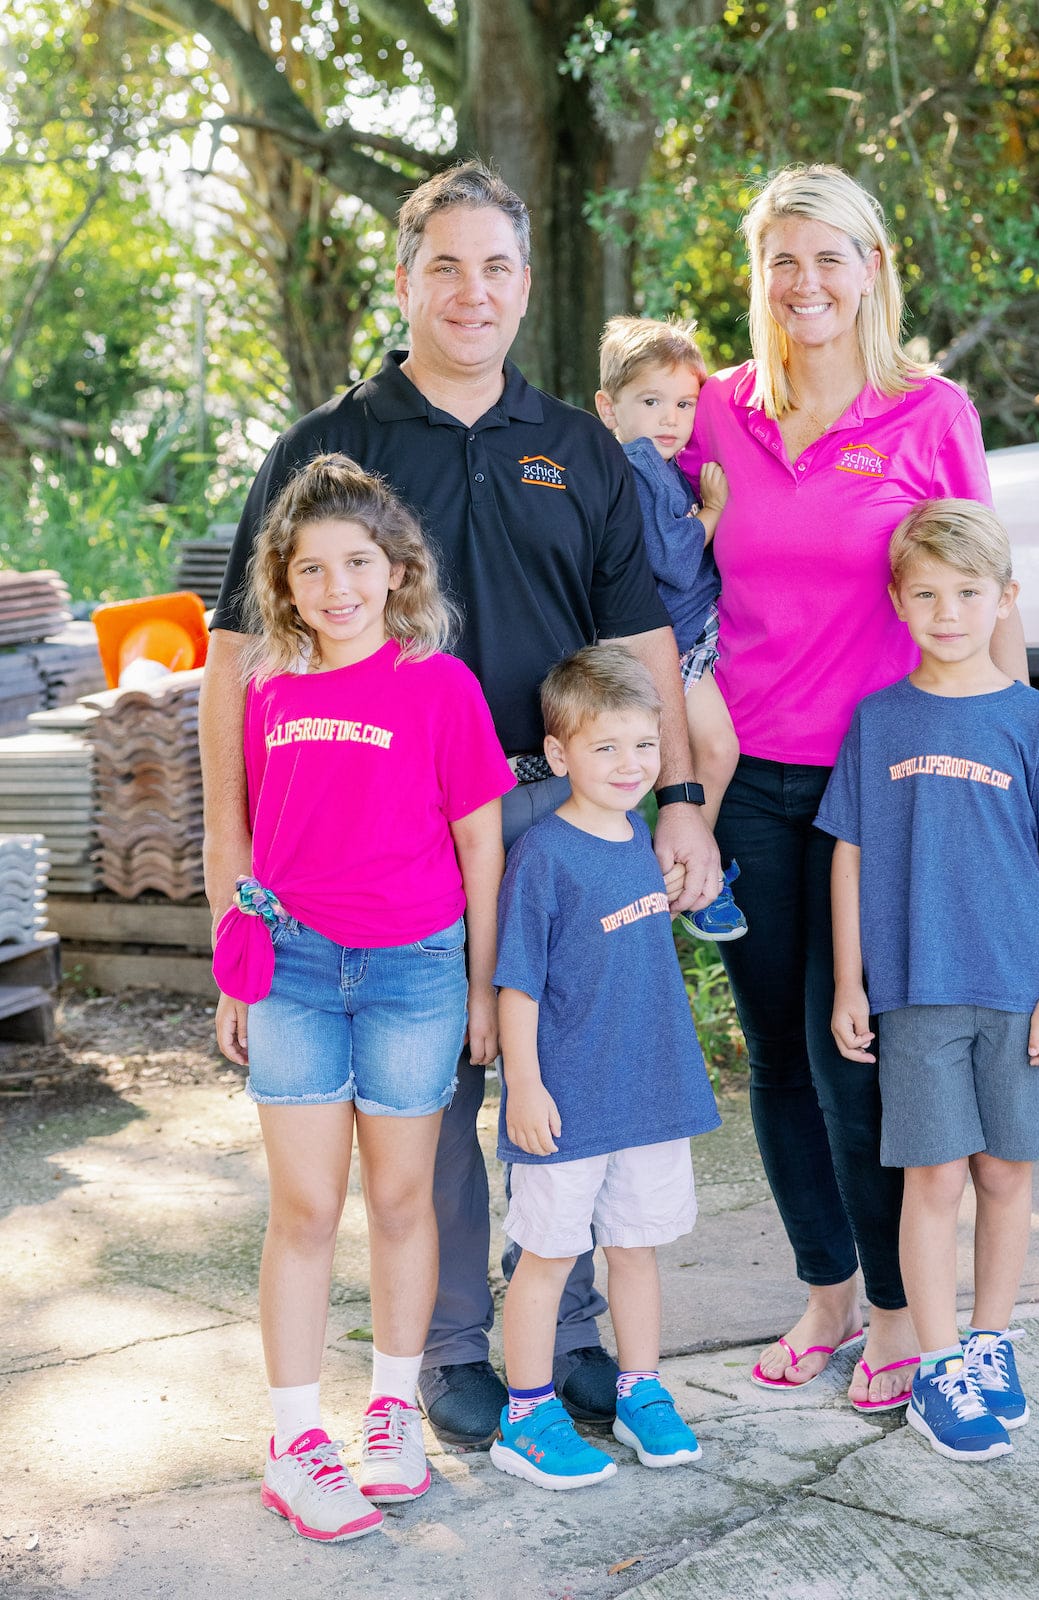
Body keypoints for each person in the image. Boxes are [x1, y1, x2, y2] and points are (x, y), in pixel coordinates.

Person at [199, 160, 720, 1449]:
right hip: (389, 832)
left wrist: (680, 796)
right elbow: (239, 660)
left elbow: (641, 637)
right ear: (405, 280)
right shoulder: (331, 448)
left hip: (565, 813)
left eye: (494, 267)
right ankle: (443, 1351)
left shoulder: (578, 447)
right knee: (424, 1096)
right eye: (445, 265)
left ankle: (572, 1333)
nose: (470, 291)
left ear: (525, 286)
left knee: (568, 1073)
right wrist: (229, 856)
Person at [679, 162, 1030, 1408]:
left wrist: (1020, 738)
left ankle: (894, 1310)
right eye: (782, 258)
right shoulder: (711, 413)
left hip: (888, 789)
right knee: (777, 1055)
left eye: (829, 256)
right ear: (757, 274)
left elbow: (987, 587)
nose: (805, 281)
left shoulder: (930, 413)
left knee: (861, 1055)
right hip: (747, 781)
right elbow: (654, 573)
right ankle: (825, 1291)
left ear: (871, 269)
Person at [212, 454, 514, 1540]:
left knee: (400, 1200)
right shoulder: (267, 688)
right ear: (284, 585)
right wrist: (236, 969)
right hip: (294, 971)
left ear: (395, 571)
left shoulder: (440, 686)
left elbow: (480, 844)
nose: (336, 586)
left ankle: (390, 1409)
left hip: (414, 975)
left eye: (355, 563)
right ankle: (295, 1442)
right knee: (304, 1209)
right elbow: (250, 840)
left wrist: (481, 988)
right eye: (311, 569)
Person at [819, 499, 1039, 1459]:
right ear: (899, 602)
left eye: (969, 594)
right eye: (927, 594)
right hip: (916, 993)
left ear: (1004, 600)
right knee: (932, 1177)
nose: (948, 613)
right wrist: (849, 983)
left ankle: (990, 1343)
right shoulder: (880, 720)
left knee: (1007, 1170)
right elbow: (849, 856)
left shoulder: (1035, 719)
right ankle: (938, 1368)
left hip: (1017, 990)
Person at [489, 645, 720, 1489]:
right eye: (606, 747)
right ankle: (526, 1415)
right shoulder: (543, 855)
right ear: (559, 755)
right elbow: (518, 983)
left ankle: (640, 1390)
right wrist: (525, 1085)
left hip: (649, 1094)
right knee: (548, 1257)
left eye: (644, 745)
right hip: (568, 1102)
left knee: (636, 1249)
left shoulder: (643, 841)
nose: (631, 765)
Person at [594, 315, 745, 941]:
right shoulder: (637, 465)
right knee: (716, 750)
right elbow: (675, 561)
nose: (670, 418)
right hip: (672, 644)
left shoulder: (653, 464)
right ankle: (690, 876)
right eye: (651, 401)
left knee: (708, 752)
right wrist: (713, 511)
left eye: (683, 404)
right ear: (609, 408)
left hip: (684, 637)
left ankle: (684, 872)